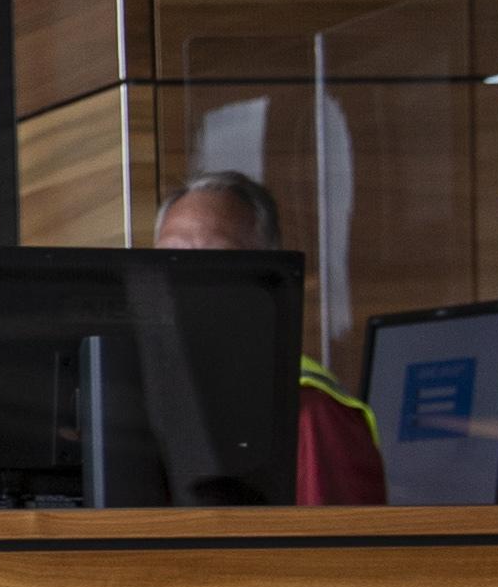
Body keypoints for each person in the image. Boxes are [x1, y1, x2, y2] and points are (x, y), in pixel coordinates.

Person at [157, 170, 386, 504]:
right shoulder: (138, 396)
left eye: (219, 261)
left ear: (267, 279)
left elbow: (339, 554)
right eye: (171, 259)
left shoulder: (309, 412)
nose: (190, 282)